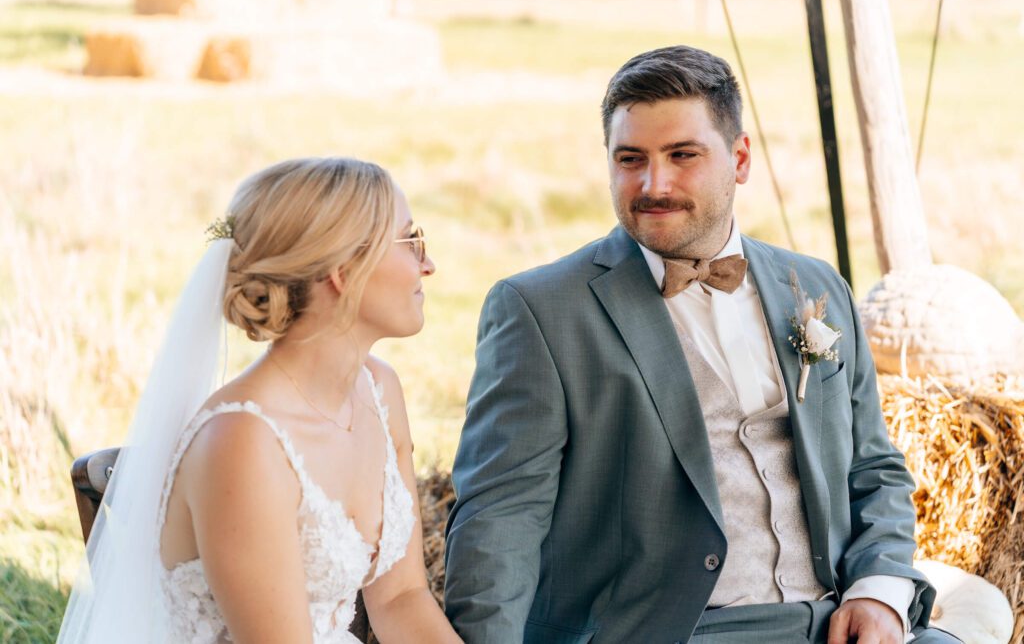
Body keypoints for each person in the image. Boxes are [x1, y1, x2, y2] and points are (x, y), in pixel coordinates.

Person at [444, 46, 958, 643]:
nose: (652, 184)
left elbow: (873, 468)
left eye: (681, 156)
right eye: (629, 158)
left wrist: (880, 594)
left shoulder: (817, 286)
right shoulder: (540, 309)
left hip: (837, 621)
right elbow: (498, 518)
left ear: (739, 159)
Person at [59, 157, 462, 643]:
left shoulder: (379, 392)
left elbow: (401, 600)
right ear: (343, 270)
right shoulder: (242, 441)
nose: (428, 263)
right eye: (410, 239)